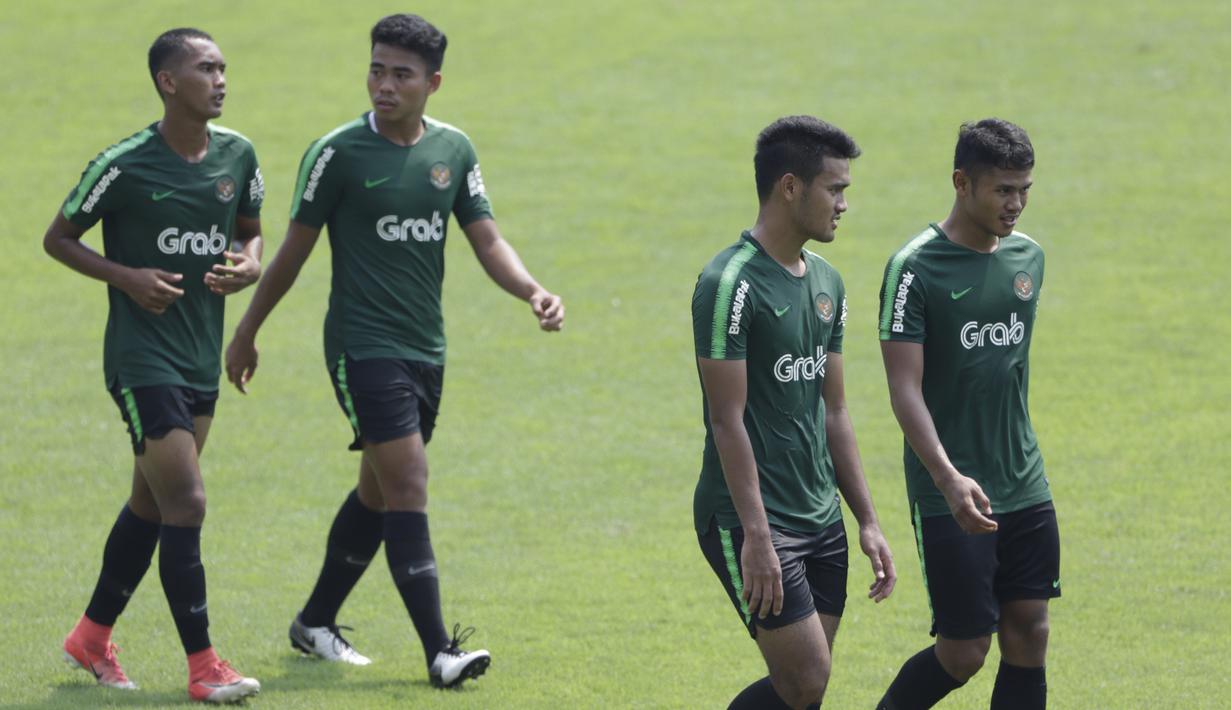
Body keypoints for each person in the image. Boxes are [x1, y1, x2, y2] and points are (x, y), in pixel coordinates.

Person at [224, 13, 563, 689]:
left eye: (401, 74)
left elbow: (487, 238)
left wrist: (532, 290)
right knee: (407, 481)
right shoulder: (337, 153)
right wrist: (246, 330)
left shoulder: (453, 150)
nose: (384, 84)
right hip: (361, 347)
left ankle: (314, 622)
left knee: (378, 490)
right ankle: (441, 652)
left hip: (426, 349)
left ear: (432, 83)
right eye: (376, 70)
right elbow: (292, 251)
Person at [44, 28, 264, 704]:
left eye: (223, 68)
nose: (220, 80)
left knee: (152, 503)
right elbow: (58, 239)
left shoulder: (237, 154)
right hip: (142, 360)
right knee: (187, 502)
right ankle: (204, 667)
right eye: (206, 69)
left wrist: (250, 264)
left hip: (199, 356)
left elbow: (250, 230)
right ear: (169, 82)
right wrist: (128, 277)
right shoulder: (124, 164)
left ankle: (89, 637)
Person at [691, 116, 896, 710]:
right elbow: (726, 420)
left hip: (820, 515)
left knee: (806, 689)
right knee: (804, 677)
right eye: (835, 189)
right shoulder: (729, 284)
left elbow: (835, 411)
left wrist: (867, 519)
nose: (843, 205)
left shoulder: (828, 283)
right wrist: (757, 536)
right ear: (790, 187)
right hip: (754, 519)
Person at [875, 118, 1057, 710]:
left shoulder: (1029, 258)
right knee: (964, 651)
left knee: (1030, 631)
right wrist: (947, 478)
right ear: (961, 182)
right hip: (951, 489)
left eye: (1024, 189)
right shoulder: (914, 268)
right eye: (1003, 190)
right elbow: (904, 389)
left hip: (1024, 480)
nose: (1016, 204)